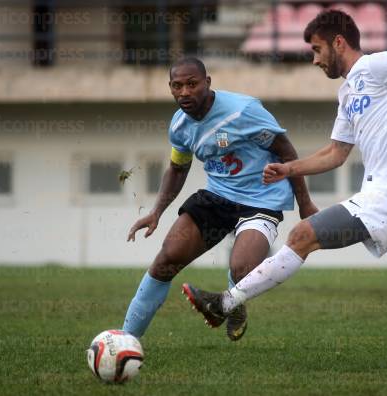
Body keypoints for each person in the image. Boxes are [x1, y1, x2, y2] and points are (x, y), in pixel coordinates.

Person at [184, 10, 387, 361]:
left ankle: (225, 302)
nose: (315, 60)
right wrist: (288, 168)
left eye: (317, 49)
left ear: (338, 42)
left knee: (301, 236)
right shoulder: (347, 93)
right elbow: (335, 153)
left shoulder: (378, 65)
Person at [122, 56, 317, 342]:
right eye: (177, 86)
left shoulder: (244, 111)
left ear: (207, 82)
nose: (185, 92)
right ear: (170, 88)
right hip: (217, 197)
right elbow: (178, 167)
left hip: (261, 200)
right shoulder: (179, 126)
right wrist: (156, 212)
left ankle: (232, 302)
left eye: (192, 84)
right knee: (166, 260)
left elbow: (287, 153)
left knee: (242, 271)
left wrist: (304, 203)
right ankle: (125, 339)